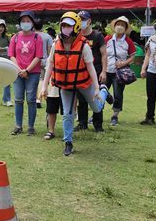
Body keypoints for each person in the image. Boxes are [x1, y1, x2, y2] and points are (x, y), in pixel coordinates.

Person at [41, 12, 109, 156]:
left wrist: (97, 87)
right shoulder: (55, 45)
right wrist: (44, 87)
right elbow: (50, 65)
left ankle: (104, 91)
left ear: (76, 27)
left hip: (85, 83)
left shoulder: (84, 46)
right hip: (67, 84)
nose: (66, 28)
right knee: (67, 113)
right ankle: (68, 142)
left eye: (69, 25)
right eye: (64, 25)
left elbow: (90, 67)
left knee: (97, 108)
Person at [9, 10, 43, 136]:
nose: (25, 23)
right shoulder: (15, 37)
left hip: (32, 73)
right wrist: (19, 70)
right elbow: (11, 55)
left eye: (28, 21)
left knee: (31, 100)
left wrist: (27, 70)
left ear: (33, 23)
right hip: (17, 73)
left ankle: (31, 127)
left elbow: (38, 56)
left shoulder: (37, 37)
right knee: (18, 99)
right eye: (23, 21)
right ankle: (18, 126)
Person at [75, 10, 108, 132]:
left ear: (89, 21)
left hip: (96, 70)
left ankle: (98, 125)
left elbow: (104, 54)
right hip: (81, 73)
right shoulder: (76, 35)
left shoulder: (97, 36)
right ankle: (82, 123)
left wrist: (104, 71)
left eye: (83, 19)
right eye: (79, 18)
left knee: (96, 97)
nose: (81, 21)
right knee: (82, 99)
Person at [104, 16, 136, 126]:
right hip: (107, 70)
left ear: (126, 28)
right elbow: (102, 54)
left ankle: (115, 116)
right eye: (118, 24)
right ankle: (96, 114)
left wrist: (124, 63)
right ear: (114, 26)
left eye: (123, 25)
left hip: (119, 72)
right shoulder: (107, 39)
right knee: (101, 93)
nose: (120, 27)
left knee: (118, 94)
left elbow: (132, 56)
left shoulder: (128, 41)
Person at [35, 19, 53, 109]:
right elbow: (50, 51)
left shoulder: (32, 36)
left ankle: (36, 99)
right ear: (42, 26)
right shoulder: (47, 37)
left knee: (36, 80)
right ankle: (40, 98)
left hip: (34, 61)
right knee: (43, 80)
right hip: (45, 61)